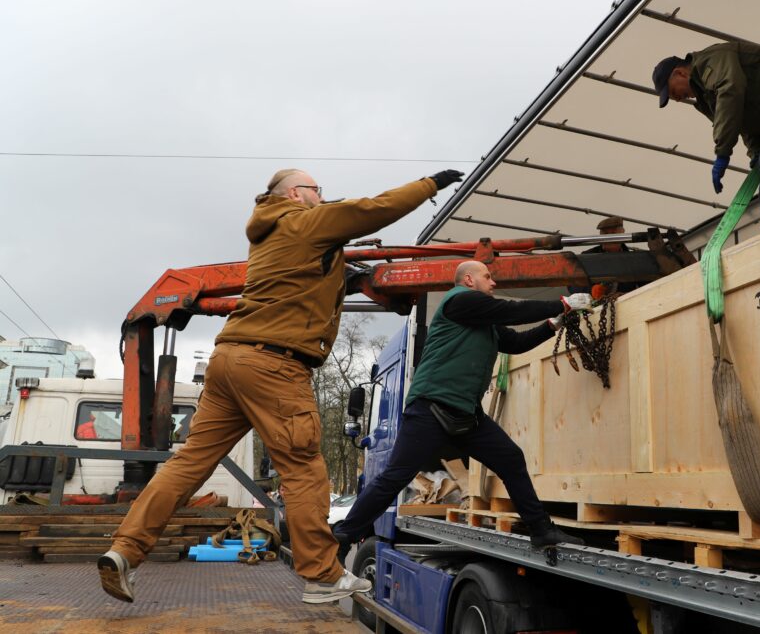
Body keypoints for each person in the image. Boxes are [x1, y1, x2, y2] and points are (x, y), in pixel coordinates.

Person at [98, 167, 464, 605]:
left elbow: (296, 282)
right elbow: (372, 210)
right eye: (316, 189)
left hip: (229, 359)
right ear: (295, 194)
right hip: (275, 365)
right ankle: (323, 575)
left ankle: (124, 550)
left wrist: (331, 276)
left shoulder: (266, 235)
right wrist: (430, 185)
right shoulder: (304, 220)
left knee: (187, 465)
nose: (322, 196)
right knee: (305, 468)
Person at [333, 261, 593, 560]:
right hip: (431, 407)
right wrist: (561, 302)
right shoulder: (459, 300)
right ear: (469, 280)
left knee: (510, 459)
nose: (493, 283)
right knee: (395, 477)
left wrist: (554, 324)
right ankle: (341, 536)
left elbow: (518, 343)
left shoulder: (485, 323)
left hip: (466, 414)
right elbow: (511, 310)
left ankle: (540, 530)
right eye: (488, 277)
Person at [652, 41, 760, 231]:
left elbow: (731, 92)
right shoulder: (704, 98)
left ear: (680, 73)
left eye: (675, 92)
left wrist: (722, 152)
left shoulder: (711, 60)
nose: (679, 98)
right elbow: (745, 124)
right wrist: (756, 153)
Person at [567, 215, 642, 296]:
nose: (609, 237)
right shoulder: (588, 257)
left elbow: (649, 286)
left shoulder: (634, 259)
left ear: (622, 233)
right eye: (605, 233)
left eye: (613, 233)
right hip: (595, 306)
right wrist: (591, 290)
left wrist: (626, 294)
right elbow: (572, 284)